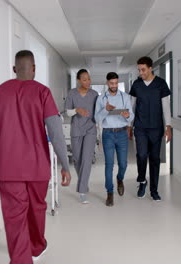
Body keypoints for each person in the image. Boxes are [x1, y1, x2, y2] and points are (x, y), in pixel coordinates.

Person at [0, 50, 71, 264]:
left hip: (8, 166)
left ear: (14, 69)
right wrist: (65, 165)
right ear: (34, 69)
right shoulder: (42, 92)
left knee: (14, 216)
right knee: (36, 207)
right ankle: (37, 246)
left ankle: (22, 258)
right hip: (37, 165)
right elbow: (55, 131)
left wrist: (6, 146)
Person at [129, 56, 172, 202]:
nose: (141, 73)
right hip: (140, 127)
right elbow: (132, 107)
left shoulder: (160, 84)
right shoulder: (136, 84)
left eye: (143, 70)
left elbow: (166, 107)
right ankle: (142, 181)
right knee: (141, 155)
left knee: (154, 159)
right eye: (139, 70)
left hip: (156, 128)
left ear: (150, 68)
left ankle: (154, 190)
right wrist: (129, 125)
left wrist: (168, 126)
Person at [95, 72, 134, 207]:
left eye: (116, 83)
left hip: (122, 133)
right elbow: (97, 119)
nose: (114, 86)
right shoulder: (101, 99)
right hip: (108, 134)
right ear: (107, 83)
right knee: (109, 165)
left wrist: (127, 115)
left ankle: (120, 179)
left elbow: (131, 116)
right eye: (111, 83)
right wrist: (105, 110)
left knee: (123, 164)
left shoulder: (125, 97)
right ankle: (109, 193)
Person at [65, 69, 98, 204]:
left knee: (86, 159)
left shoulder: (95, 94)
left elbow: (98, 112)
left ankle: (82, 191)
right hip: (76, 130)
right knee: (77, 160)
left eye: (89, 79)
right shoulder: (72, 93)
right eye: (84, 79)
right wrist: (77, 110)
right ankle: (83, 183)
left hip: (90, 129)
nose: (88, 81)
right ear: (79, 80)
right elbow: (68, 112)